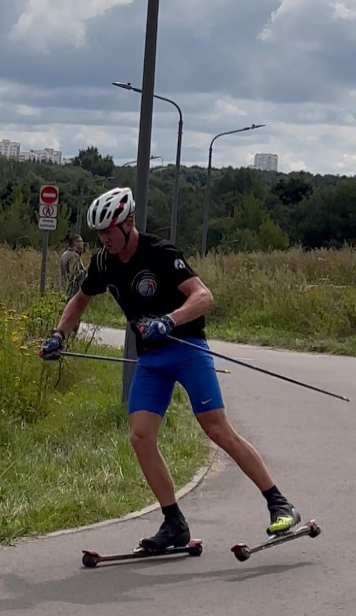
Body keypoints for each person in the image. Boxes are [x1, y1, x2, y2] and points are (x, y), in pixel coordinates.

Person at [40, 186, 301, 553]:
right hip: (151, 360)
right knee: (140, 436)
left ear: (129, 223)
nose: (105, 239)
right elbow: (80, 299)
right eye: (99, 233)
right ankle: (174, 523)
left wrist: (169, 319)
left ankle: (279, 502)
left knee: (216, 428)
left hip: (186, 348)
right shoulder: (103, 262)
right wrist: (57, 335)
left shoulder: (159, 253)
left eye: (110, 231)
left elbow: (204, 296)